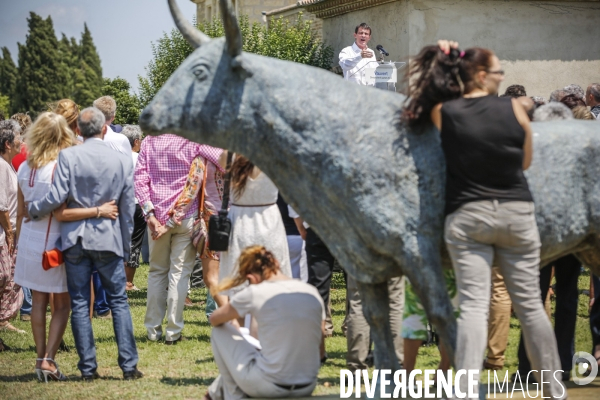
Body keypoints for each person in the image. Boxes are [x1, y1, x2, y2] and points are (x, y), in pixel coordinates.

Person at [403, 40, 566, 399]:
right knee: (531, 306)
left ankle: (464, 390)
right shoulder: (515, 108)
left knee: (474, 307)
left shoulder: (446, 111)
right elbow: (525, 162)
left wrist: (443, 57)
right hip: (517, 214)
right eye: (498, 72)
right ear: (481, 74)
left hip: (468, 215)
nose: (501, 77)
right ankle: (555, 389)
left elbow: (422, 94)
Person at [27, 107, 142, 381]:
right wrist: (126, 246)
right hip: (109, 238)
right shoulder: (122, 160)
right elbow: (127, 208)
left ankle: (88, 368)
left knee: (79, 303)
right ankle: (128, 366)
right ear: (105, 129)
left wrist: (33, 209)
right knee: (119, 302)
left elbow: (57, 195)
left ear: (77, 130)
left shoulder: (68, 155)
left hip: (75, 238)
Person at [14, 112, 118, 382]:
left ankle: (39, 359)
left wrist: (16, 242)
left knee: (37, 301)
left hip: (29, 240)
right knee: (62, 304)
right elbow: (61, 210)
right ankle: (49, 359)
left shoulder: (25, 167)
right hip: (55, 243)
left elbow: (22, 212)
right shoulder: (60, 166)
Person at [134, 133, 222, 344]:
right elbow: (223, 159)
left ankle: (152, 330)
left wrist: (151, 216)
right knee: (179, 274)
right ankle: (173, 331)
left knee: (156, 272)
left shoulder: (148, 141)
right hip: (185, 216)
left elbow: (140, 179)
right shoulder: (193, 140)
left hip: (156, 218)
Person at [206, 245, 324, 400]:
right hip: (307, 385)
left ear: (252, 278)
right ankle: (215, 393)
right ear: (277, 263)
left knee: (219, 330)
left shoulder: (255, 292)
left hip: (269, 386)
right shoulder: (311, 291)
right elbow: (321, 351)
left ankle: (233, 396)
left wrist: (235, 324)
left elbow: (215, 319)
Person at [153, 150, 227, 308]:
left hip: (213, 220)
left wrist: (173, 218)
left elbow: (191, 189)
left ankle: (229, 318)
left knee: (211, 277)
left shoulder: (203, 156)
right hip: (241, 218)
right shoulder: (243, 155)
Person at [219, 156, 292, 298]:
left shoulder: (229, 154)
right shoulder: (273, 152)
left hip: (240, 221)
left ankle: (241, 318)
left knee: (239, 282)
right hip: (269, 219)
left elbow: (220, 159)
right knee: (272, 279)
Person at [0, 120, 24, 336]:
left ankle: (4, 319)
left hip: (14, 230)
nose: (21, 142)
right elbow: (2, 205)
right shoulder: (1, 165)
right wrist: (9, 233)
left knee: (14, 278)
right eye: (18, 138)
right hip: (7, 232)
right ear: (8, 144)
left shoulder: (9, 165)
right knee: (5, 276)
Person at [121, 125, 145, 290]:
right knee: (134, 243)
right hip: (136, 204)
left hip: (118, 204)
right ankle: (128, 281)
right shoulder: (139, 158)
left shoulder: (115, 156)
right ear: (136, 141)